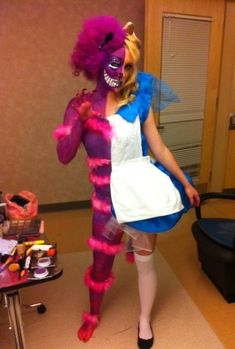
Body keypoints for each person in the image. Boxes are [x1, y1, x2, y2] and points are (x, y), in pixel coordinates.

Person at [54, 16, 200, 349]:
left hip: (142, 194)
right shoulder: (79, 105)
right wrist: (81, 120)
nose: (122, 73)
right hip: (107, 207)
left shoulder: (139, 99)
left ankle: (144, 321)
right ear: (96, 60)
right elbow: (63, 155)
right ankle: (92, 315)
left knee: (146, 263)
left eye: (129, 66)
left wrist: (185, 182)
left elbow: (158, 147)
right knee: (101, 266)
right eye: (117, 63)